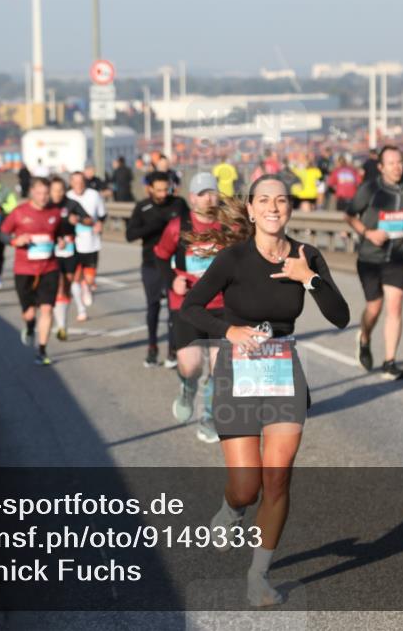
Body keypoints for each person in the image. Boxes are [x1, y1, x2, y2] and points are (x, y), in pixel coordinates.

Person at [180, 173, 349, 607]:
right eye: (264, 200)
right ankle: (231, 509)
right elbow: (191, 307)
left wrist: (308, 278)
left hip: (283, 373)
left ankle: (259, 576)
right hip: (237, 372)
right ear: (252, 210)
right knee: (246, 487)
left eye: (281, 200)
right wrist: (229, 331)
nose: (273, 206)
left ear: (290, 208)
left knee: (277, 479)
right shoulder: (233, 259)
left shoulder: (306, 256)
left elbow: (340, 316)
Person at [344, 145, 403, 379]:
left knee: (395, 305)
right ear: (381, 167)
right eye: (391, 163)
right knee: (374, 308)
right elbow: (349, 215)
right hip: (370, 258)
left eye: (399, 162)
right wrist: (368, 233)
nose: (397, 167)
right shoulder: (370, 189)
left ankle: (390, 362)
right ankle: (364, 337)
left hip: (399, 257)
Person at [153, 172, 224, 442]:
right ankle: (188, 387)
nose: (208, 199)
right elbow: (161, 256)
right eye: (202, 194)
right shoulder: (178, 227)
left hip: (222, 304)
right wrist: (172, 279)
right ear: (192, 198)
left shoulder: (229, 226)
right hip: (187, 304)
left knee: (221, 366)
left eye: (212, 193)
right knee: (191, 365)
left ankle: (209, 416)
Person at [0, 177, 66, 365]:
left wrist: (61, 240)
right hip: (25, 269)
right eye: (39, 193)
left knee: (47, 309)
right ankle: (29, 325)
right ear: (31, 193)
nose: (43, 197)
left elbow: (59, 232)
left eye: (46, 193)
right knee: (29, 313)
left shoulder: (55, 212)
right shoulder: (19, 212)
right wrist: (15, 241)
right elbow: (2, 234)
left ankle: (42, 351)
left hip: (49, 267)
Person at [126, 171, 189, 368]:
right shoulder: (142, 207)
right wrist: (154, 226)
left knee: (175, 309)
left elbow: (191, 228)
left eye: (166, 189)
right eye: (159, 190)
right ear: (150, 189)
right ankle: (152, 348)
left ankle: (172, 350)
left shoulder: (179, 204)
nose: (163, 194)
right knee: (153, 306)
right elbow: (130, 235)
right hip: (151, 264)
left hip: (174, 265)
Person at [47, 176, 88, 341]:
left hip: (70, 250)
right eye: (54, 190)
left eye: (60, 190)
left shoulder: (71, 204)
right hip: (52, 251)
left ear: (65, 190)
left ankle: (63, 318)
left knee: (67, 286)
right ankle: (62, 326)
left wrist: (78, 219)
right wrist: (55, 239)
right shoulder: (46, 205)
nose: (57, 193)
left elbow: (89, 219)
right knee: (59, 286)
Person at [66, 171, 108, 321]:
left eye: (81, 181)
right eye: (75, 182)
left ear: (85, 182)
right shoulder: (67, 197)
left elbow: (102, 215)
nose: (78, 185)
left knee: (89, 279)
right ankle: (81, 309)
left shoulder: (94, 195)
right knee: (74, 278)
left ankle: (87, 286)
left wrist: (100, 224)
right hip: (73, 243)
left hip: (91, 242)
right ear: (71, 183)